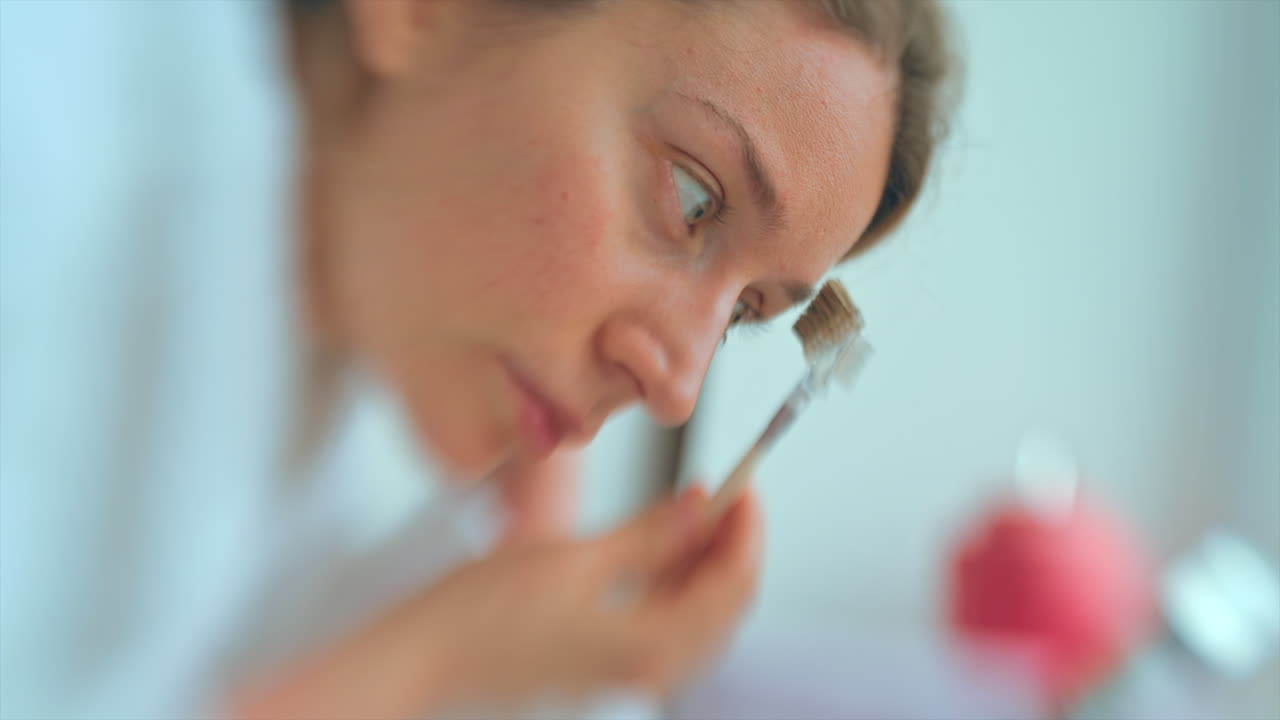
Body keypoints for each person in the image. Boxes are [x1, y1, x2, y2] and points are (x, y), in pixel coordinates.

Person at [0, 0, 952, 717]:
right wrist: (439, 661)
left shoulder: (315, 339)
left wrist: (519, 568)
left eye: (746, 309)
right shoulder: (45, 136)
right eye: (693, 198)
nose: (676, 386)